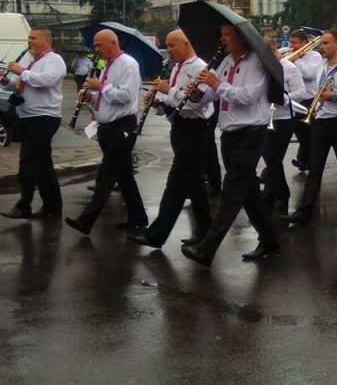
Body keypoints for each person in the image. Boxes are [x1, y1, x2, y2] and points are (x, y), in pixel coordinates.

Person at [181, 24, 280, 266]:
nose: (222, 39)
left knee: (232, 192)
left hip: (252, 133)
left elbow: (247, 96)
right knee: (249, 193)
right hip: (229, 134)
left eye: (227, 35)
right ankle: (270, 241)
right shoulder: (225, 62)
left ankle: (207, 249)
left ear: (242, 38)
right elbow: (214, 95)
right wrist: (198, 93)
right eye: (221, 34)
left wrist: (216, 84)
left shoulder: (257, 63)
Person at [128, 30, 213, 250]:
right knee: (195, 185)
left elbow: (196, 104)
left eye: (172, 45)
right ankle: (205, 231)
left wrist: (169, 90)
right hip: (179, 127)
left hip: (195, 128)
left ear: (186, 44)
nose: (169, 50)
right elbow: (173, 102)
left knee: (175, 184)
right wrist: (157, 100)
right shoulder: (177, 67)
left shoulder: (200, 67)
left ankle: (156, 235)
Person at [65, 30, 147, 235]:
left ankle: (86, 220)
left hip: (122, 128)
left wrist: (100, 86)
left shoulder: (128, 64)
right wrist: (89, 97)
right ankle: (138, 216)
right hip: (107, 128)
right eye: (95, 45)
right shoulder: (106, 65)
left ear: (113, 43)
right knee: (125, 176)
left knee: (106, 175)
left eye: (99, 45)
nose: (96, 49)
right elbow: (105, 97)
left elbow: (126, 96)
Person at [286, 29, 337, 226]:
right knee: (315, 168)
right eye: (322, 44)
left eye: (326, 43)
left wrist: (335, 96)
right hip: (321, 122)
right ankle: (305, 211)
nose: (322, 47)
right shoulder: (322, 67)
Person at [0, 28, 66, 220]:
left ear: (46, 40)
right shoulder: (30, 60)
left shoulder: (54, 60)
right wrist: (6, 81)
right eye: (28, 38)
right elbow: (20, 84)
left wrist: (22, 71)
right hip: (27, 116)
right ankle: (53, 205)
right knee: (43, 162)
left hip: (44, 116)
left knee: (28, 160)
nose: (30, 41)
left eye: (34, 38)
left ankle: (24, 205)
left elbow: (46, 81)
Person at [261, 38, 307, 217]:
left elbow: (301, 92)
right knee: (270, 160)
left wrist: (283, 98)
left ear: (272, 50)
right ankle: (273, 195)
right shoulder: (263, 67)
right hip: (265, 118)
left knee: (273, 159)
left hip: (283, 119)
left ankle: (280, 196)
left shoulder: (288, 67)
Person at [288, 29, 323, 171]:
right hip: (296, 98)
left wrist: (297, 60)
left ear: (304, 42)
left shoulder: (315, 56)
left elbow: (310, 74)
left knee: (310, 132)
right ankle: (303, 160)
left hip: (310, 98)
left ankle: (308, 161)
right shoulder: (290, 55)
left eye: (295, 43)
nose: (292, 46)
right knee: (300, 132)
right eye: (291, 42)